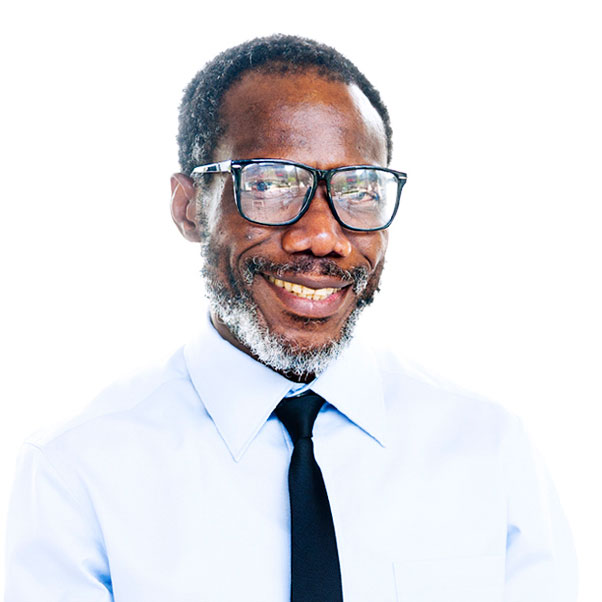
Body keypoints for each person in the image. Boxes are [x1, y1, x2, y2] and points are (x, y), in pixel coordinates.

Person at [5, 35, 577, 602]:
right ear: (189, 207)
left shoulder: (490, 449)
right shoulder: (76, 472)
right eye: (271, 184)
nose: (323, 237)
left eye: (358, 190)